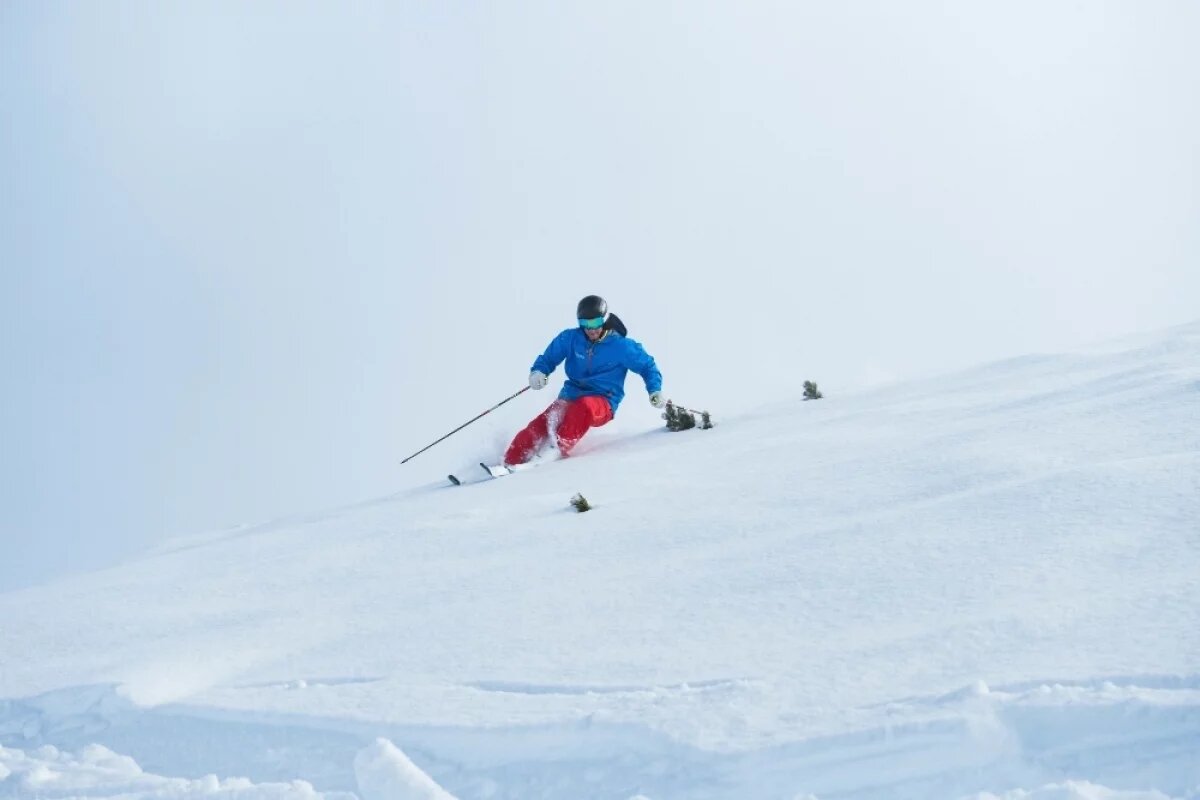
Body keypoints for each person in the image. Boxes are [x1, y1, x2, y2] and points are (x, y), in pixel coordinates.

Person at [504, 295, 664, 467]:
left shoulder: (621, 346)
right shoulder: (571, 338)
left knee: (583, 407)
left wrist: (654, 389)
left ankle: (555, 450)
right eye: (585, 324)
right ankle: (510, 459)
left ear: (604, 320)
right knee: (545, 421)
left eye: (595, 323)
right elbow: (548, 358)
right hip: (571, 394)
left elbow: (647, 366)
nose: (591, 329)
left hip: (603, 400)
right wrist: (539, 372)